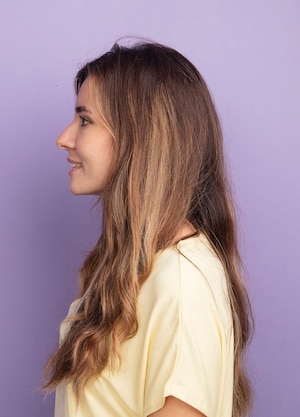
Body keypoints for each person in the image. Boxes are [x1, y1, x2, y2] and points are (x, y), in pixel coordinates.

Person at [45, 41, 253, 417]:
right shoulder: (139, 267)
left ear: (140, 136)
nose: (65, 138)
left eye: (85, 120)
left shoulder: (181, 280)